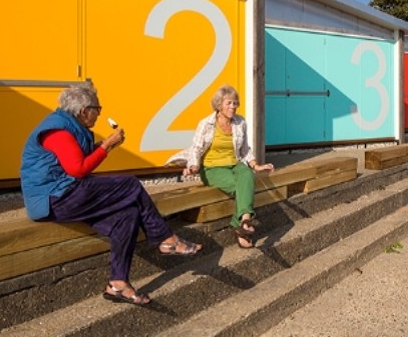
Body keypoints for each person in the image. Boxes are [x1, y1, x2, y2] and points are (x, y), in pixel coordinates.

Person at [20, 83, 201, 307]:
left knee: (128, 215)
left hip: (66, 192)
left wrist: (105, 146)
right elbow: (77, 168)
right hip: (53, 198)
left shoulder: (71, 125)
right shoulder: (58, 130)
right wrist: (106, 146)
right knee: (130, 184)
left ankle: (118, 283)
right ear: (84, 110)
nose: (100, 113)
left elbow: (78, 160)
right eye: (98, 108)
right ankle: (164, 238)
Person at [166, 84, 274, 248]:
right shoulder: (206, 124)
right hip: (212, 168)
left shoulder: (240, 122)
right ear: (219, 105)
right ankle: (241, 225)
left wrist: (256, 165)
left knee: (247, 175)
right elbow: (196, 148)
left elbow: (244, 149)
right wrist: (193, 166)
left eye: (235, 103)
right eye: (229, 103)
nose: (233, 106)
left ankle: (244, 221)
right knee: (243, 187)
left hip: (234, 164)